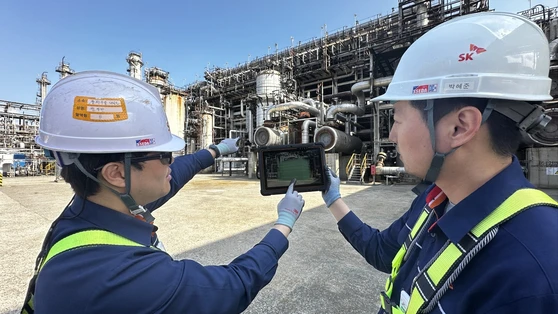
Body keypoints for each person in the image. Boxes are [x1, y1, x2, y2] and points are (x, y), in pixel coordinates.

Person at [321, 12, 558, 314]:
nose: (392, 134)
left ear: (459, 127)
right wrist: (333, 199)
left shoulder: (538, 271)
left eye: (397, 119)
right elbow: (384, 252)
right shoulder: (436, 199)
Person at [21, 70, 305, 313]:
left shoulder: (88, 211)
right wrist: (284, 224)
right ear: (117, 173)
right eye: (165, 156)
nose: (172, 162)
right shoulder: (126, 277)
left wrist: (216, 150)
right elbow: (234, 285)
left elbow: (176, 174)